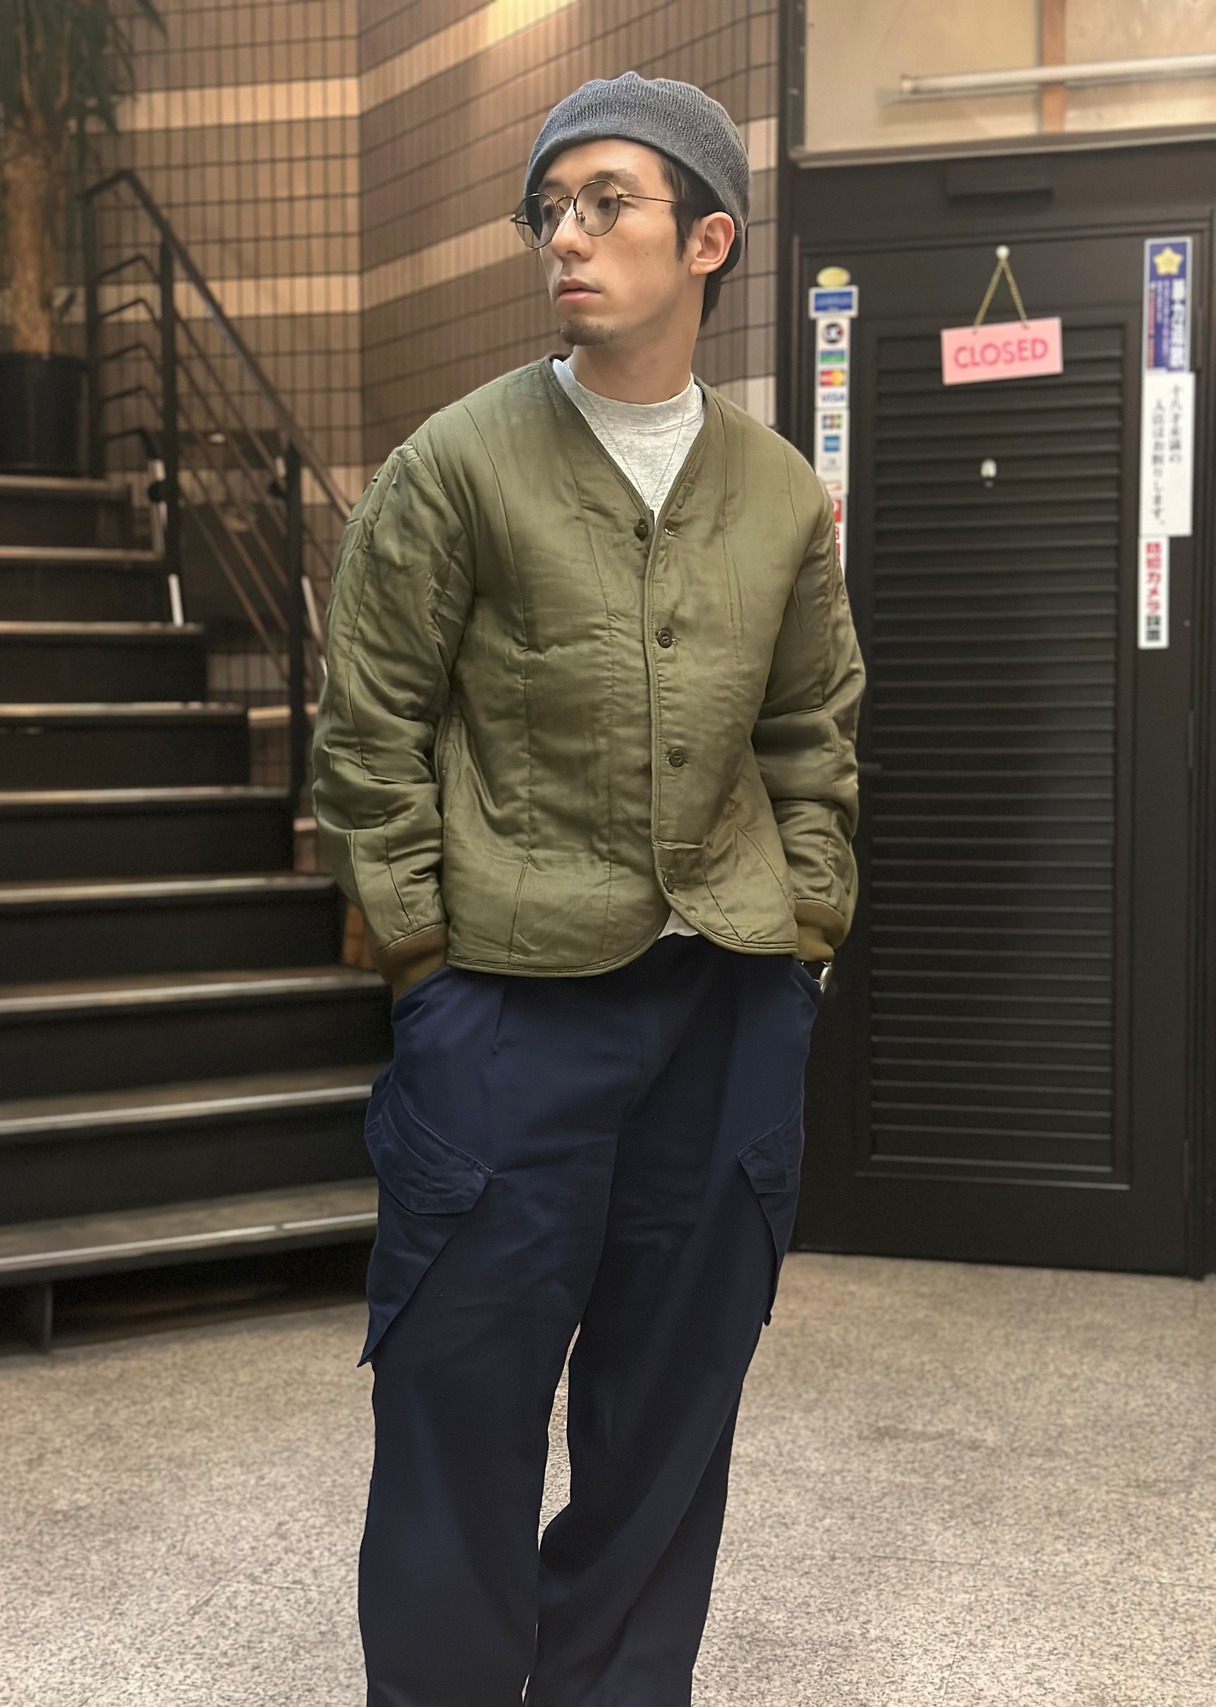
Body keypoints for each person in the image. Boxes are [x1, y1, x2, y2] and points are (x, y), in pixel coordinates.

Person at [313, 69, 865, 1707]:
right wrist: (422, 957)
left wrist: (806, 932)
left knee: (675, 1404)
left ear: (708, 239)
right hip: (503, 1004)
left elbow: (811, 732)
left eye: (607, 202)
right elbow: (369, 729)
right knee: (457, 1393)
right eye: (548, 208)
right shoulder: (457, 464)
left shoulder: (780, 494)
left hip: (730, 1005)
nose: (565, 234)